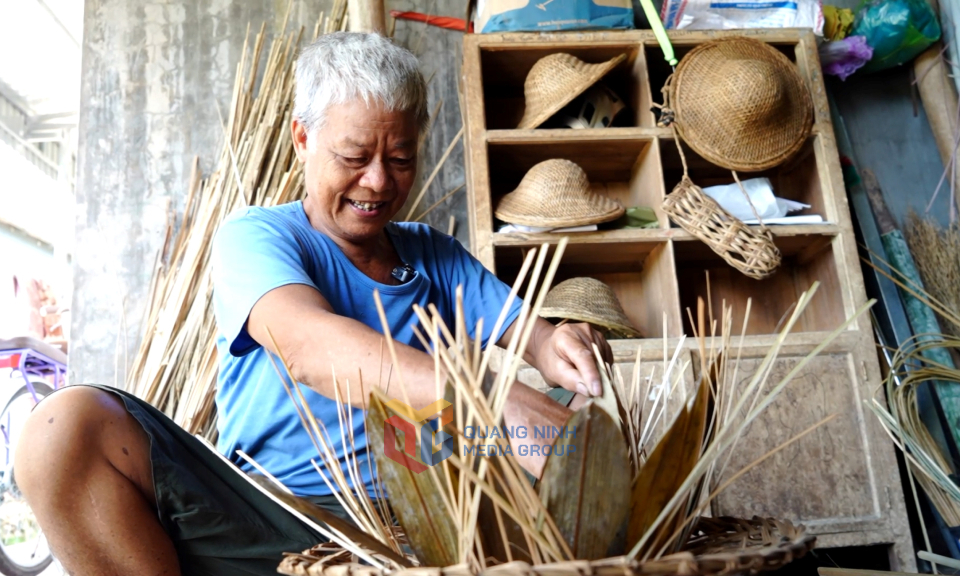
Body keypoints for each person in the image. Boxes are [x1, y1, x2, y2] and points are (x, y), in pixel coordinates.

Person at [15, 32, 611, 576]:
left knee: (576, 433)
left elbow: (533, 338)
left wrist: (562, 349)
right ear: (303, 138)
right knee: (60, 430)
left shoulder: (434, 255)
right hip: (268, 521)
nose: (378, 181)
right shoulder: (259, 237)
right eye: (355, 157)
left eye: (401, 158)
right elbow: (309, 345)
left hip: (422, 518)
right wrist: (485, 401)